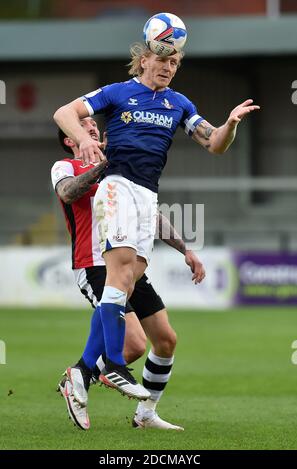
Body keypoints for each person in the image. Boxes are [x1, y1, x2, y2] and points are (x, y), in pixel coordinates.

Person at [53, 42, 260, 400]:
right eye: (163, 59)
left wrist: (229, 125)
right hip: (117, 185)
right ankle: (113, 366)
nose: (169, 67)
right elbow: (63, 112)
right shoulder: (117, 93)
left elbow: (214, 144)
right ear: (144, 60)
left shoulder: (179, 104)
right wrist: (85, 139)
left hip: (147, 194)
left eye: (175, 62)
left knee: (131, 279)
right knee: (119, 273)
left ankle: (85, 373)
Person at [51, 117, 205, 430]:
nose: (91, 127)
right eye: (83, 125)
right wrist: (103, 166)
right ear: (70, 139)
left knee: (165, 340)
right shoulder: (65, 167)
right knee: (133, 344)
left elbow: (150, 213)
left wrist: (185, 249)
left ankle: (145, 414)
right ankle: (79, 375)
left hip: (129, 261)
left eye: (93, 124)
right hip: (94, 263)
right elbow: (68, 194)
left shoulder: (122, 171)